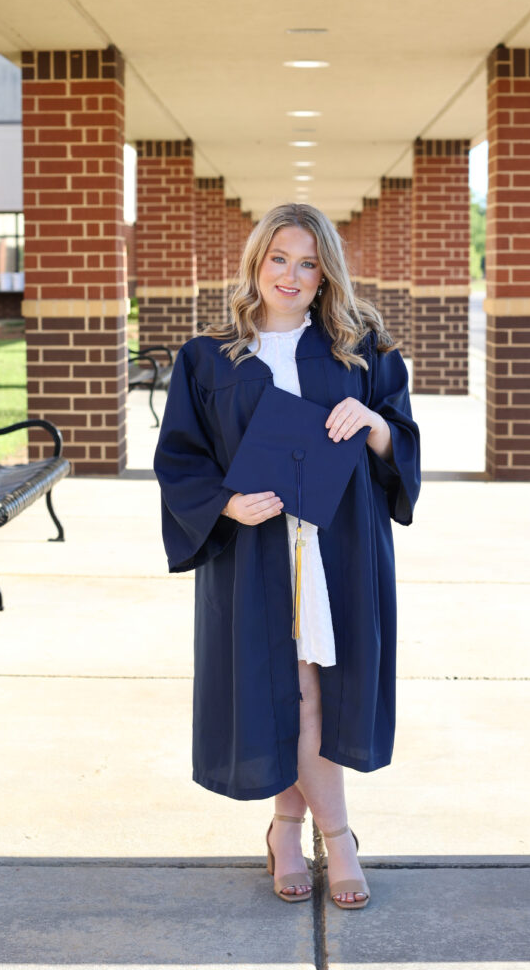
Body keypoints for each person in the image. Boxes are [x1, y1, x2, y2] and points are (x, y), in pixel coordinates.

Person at [154, 202, 420, 910]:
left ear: (325, 270)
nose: (291, 275)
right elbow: (180, 457)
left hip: (337, 548)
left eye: (307, 262)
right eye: (279, 258)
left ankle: (290, 826)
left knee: (312, 696)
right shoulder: (210, 355)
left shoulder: (360, 348)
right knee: (288, 693)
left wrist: (372, 425)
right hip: (256, 552)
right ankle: (334, 838)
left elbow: (402, 439)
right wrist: (223, 504)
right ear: (256, 263)